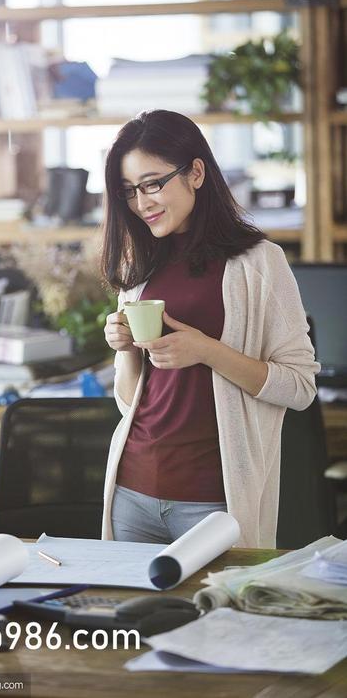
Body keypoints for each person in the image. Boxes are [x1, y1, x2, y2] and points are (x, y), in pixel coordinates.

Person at [101, 109, 319, 548]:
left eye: (152, 183)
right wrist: (125, 349)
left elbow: (299, 387)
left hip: (213, 501)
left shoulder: (258, 263)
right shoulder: (139, 266)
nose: (141, 202)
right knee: (129, 617)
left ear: (196, 172)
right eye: (129, 191)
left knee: (214, 618)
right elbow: (130, 403)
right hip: (132, 491)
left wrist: (206, 350)